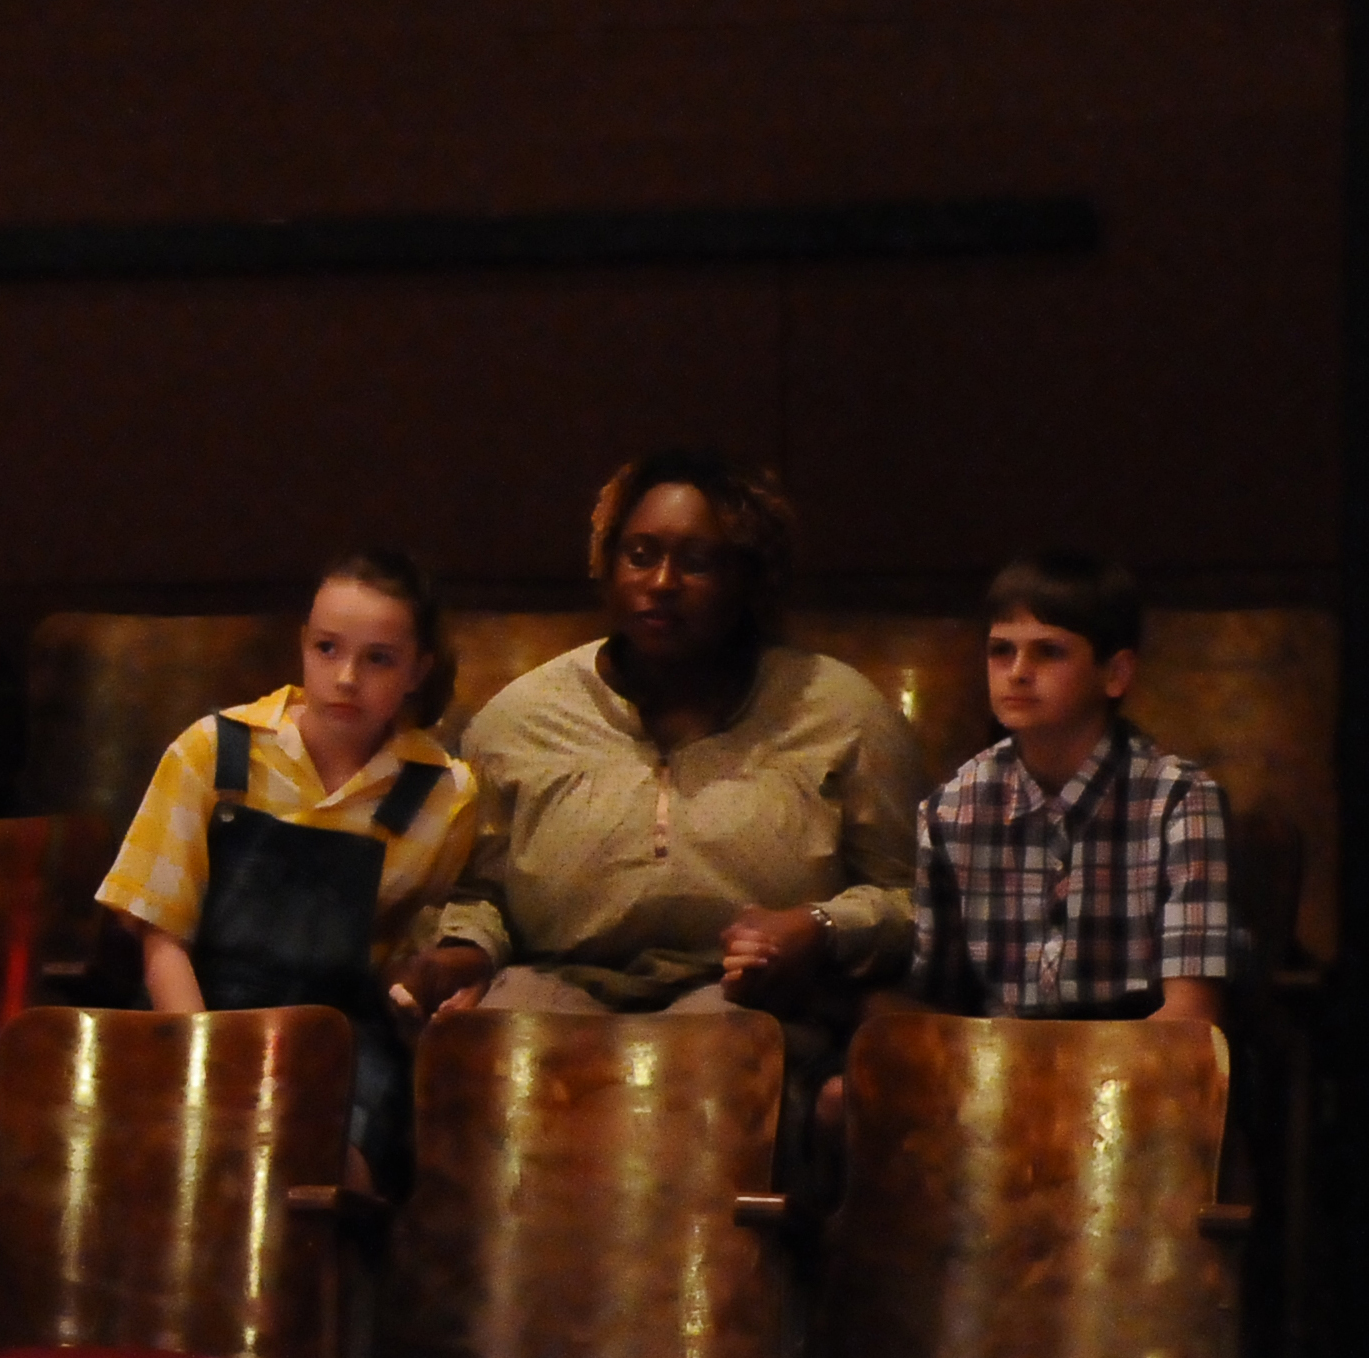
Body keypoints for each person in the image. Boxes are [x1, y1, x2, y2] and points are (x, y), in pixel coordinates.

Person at [420, 450, 921, 1058]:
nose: (662, 583)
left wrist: (821, 928)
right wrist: (466, 951)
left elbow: (912, 902)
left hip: (742, 1000)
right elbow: (479, 893)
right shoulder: (521, 719)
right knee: (495, 1051)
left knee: (706, 1058)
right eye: (640, 556)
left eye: (697, 562)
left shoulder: (841, 714)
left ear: (748, 579)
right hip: (554, 984)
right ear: (607, 566)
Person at [95, 551, 482, 1189]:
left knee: (330, 1168)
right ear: (303, 645)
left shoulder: (443, 793)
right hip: (198, 1016)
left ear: (418, 670)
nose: (346, 677)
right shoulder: (214, 751)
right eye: (327, 649)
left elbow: (416, 950)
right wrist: (214, 1065)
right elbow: (162, 938)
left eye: (379, 659)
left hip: (337, 1038)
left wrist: (437, 985)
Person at [907, 548, 1230, 1024]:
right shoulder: (951, 808)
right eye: (1001, 651)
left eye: (1049, 651)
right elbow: (936, 1007)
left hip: (1135, 1055)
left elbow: (1191, 1017)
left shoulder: (1179, 799)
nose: (1018, 671)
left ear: (1115, 674)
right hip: (998, 1056)